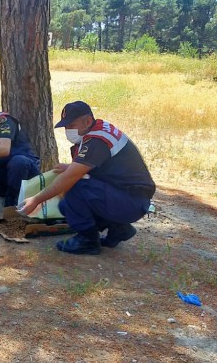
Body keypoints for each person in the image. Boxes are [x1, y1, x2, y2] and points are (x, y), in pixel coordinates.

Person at [17, 101, 156, 255]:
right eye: (66, 127)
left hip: (130, 201)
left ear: (87, 121)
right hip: (129, 198)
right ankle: (119, 229)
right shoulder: (98, 130)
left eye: (71, 125)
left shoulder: (96, 140)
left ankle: (88, 241)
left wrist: (36, 199)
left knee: (75, 187)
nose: (68, 130)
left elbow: (70, 178)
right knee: (66, 206)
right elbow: (103, 168)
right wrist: (71, 167)